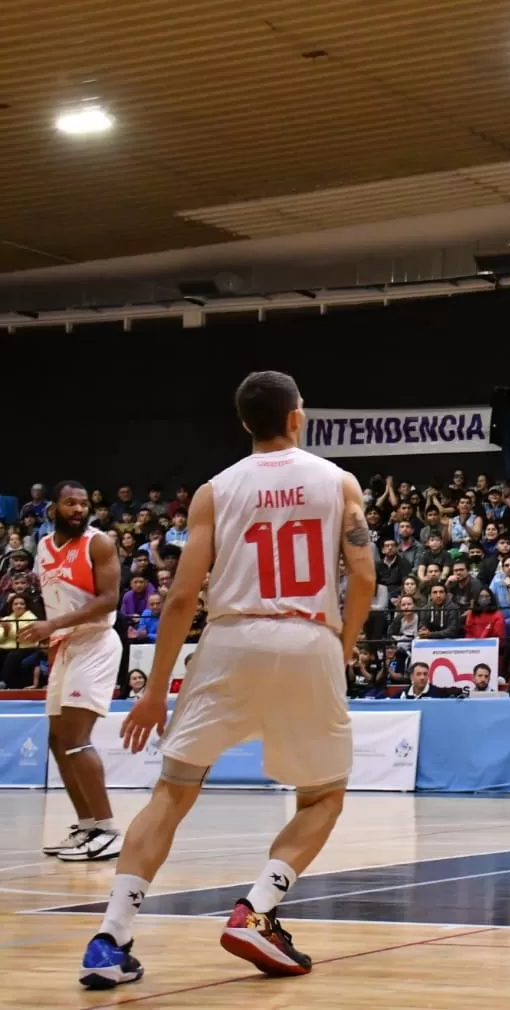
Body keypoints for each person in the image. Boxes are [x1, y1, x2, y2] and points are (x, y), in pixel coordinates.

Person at [78, 371, 376, 990]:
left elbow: (184, 594)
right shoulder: (338, 480)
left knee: (172, 793)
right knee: (322, 796)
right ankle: (258, 909)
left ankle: (111, 937)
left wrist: (156, 688)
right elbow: (364, 576)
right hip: (307, 638)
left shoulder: (215, 491)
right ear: (298, 416)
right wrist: (337, 648)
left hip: (230, 639)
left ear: (246, 423)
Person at [30, 481, 124, 863]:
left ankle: (108, 828)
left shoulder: (98, 543)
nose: (78, 509)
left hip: (96, 642)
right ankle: (87, 824)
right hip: (65, 645)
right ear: (54, 507)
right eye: (70, 503)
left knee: (77, 738)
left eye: (83, 504)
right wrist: (49, 630)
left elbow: (108, 600)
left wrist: (53, 626)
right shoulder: (43, 547)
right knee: (57, 739)